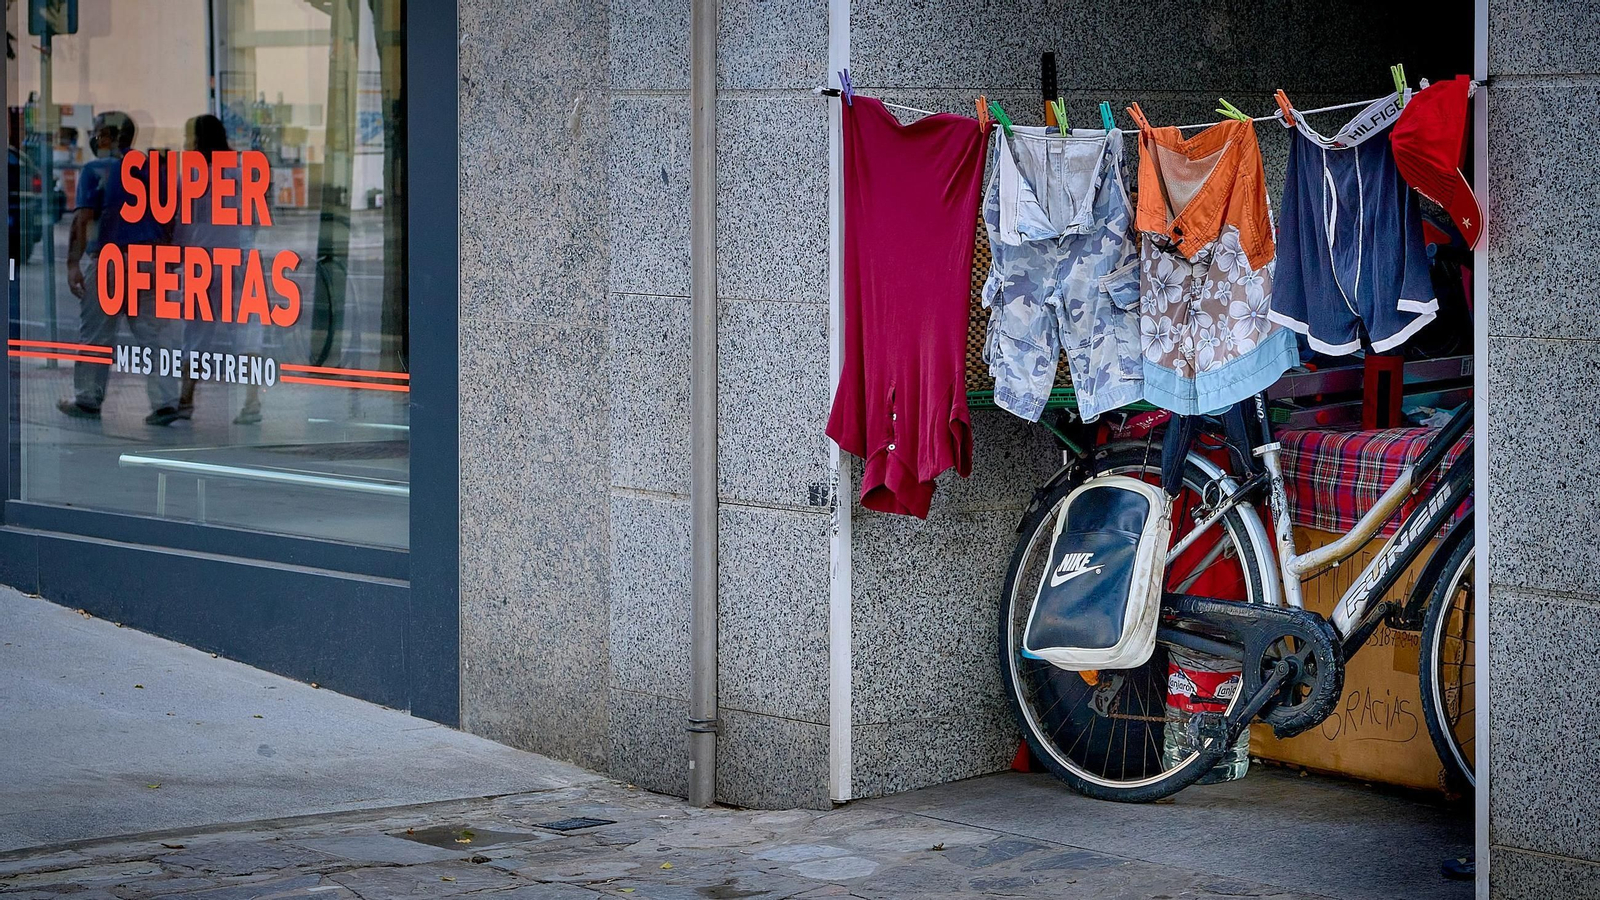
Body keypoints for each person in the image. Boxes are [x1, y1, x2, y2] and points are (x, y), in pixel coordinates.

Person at [59, 111, 183, 426]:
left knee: (97, 333)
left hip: (111, 261)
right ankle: (166, 402)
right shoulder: (155, 170)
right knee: (155, 335)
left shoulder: (95, 170)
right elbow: (172, 219)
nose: (92, 137)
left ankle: (88, 399)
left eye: (97, 132)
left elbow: (82, 220)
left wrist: (73, 263)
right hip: (152, 260)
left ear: (110, 137)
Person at [175, 113, 263, 425]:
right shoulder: (241, 173)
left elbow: (182, 224)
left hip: (202, 259)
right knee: (245, 331)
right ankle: (251, 401)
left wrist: (177, 258)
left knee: (196, 333)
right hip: (238, 257)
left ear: (198, 140)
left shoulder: (191, 176)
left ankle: (186, 399)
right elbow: (254, 218)